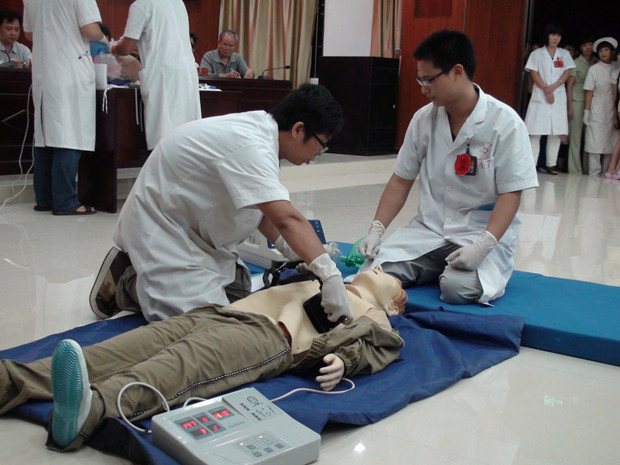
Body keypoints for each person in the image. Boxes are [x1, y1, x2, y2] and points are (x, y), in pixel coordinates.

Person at [0, 265, 405, 452]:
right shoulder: (326, 275)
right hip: (218, 313)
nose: (381, 269)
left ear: (395, 302)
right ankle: (10, 380)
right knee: (111, 352)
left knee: (169, 369)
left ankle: (86, 413)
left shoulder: (378, 316)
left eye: (391, 277)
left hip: (266, 338)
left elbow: (378, 348)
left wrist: (345, 361)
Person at [90, 83, 354, 326]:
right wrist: (329, 276)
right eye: (321, 145)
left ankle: (152, 280)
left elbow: (264, 212)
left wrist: (295, 253)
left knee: (238, 293)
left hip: (194, 232)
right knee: (208, 327)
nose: (317, 155)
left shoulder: (263, 137)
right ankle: (127, 281)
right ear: (298, 130)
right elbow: (286, 219)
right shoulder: (252, 145)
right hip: (163, 230)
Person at [356, 30, 538, 305]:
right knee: (371, 277)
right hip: (429, 230)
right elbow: (401, 180)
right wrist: (376, 230)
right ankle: (432, 266)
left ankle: (452, 268)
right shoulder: (423, 120)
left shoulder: (505, 123)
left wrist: (483, 246)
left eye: (428, 79)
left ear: (457, 72)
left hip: (478, 233)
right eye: (420, 80)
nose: (423, 88)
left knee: (456, 289)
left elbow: (511, 194)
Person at [23, 0, 105, 215]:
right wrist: (103, 36)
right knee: (69, 134)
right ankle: (65, 201)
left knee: (45, 136)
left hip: (44, 72)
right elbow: (90, 29)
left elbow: (29, 34)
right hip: (70, 71)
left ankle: (44, 198)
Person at [111, 0, 201, 151]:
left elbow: (126, 48)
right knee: (186, 133)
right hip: (186, 73)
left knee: (164, 136)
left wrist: (112, 47)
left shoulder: (141, 5)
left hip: (163, 75)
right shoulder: (178, 2)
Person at [524, 23, 575, 175]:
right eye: (553, 35)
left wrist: (554, 87)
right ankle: (532, 164)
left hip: (557, 94)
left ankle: (551, 164)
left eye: (558, 35)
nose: (555, 38)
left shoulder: (564, 54)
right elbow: (533, 73)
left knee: (555, 133)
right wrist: (546, 89)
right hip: (540, 94)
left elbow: (566, 72)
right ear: (547, 36)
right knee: (535, 133)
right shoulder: (537, 54)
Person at [583, 37, 619, 176]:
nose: (604, 53)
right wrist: (587, 111)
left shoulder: (616, 67)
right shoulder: (594, 69)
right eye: (601, 51)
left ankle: (606, 172)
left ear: (612, 52)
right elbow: (589, 92)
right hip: (597, 107)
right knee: (595, 141)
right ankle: (594, 173)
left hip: (612, 108)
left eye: (606, 50)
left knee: (610, 141)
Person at [567, 37, 596, 174]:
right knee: (576, 137)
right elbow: (569, 86)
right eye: (585, 45)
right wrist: (569, 106)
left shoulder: (596, 62)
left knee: (590, 136)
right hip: (577, 101)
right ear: (580, 48)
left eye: (590, 44)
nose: (588, 48)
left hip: (593, 103)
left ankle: (587, 168)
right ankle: (574, 169)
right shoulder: (575, 63)